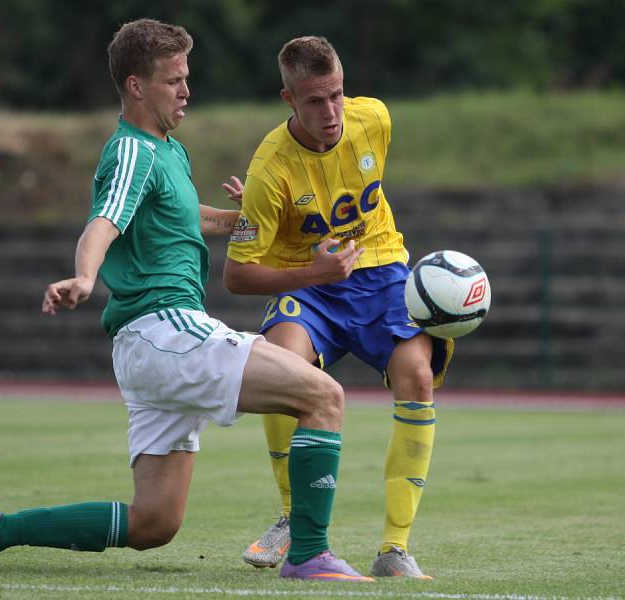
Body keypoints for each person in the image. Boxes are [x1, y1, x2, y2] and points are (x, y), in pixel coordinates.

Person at [0, 20, 372, 582]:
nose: (186, 90)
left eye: (187, 78)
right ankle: (309, 554)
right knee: (324, 397)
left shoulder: (169, 152)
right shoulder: (133, 152)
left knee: (154, 524)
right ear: (137, 86)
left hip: (148, 347)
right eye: (173, 80)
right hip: (164, 331)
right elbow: (104, 221)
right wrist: (84, 277)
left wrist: (256, 217)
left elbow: (191, 220)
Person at [222, 36, 453, 579]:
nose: (331, 113)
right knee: (286, 367)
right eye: (314, 101)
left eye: (337, 95)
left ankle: (395, 548)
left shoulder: (375, 119)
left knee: (416, 375)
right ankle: (292, 518)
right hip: (309, 282)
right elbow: (235, 275)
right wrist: (312, 271)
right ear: (288, 99)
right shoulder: (269, 168)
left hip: (381, 271)